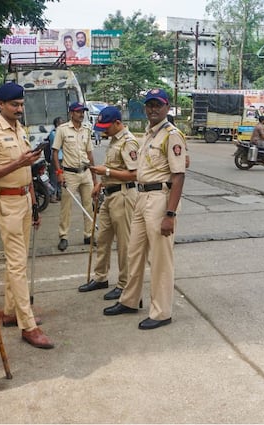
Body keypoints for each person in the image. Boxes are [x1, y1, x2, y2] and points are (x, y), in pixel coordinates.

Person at [0, 82, 54, 349]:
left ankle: (11, 312)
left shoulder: (21, 129)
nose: (20, 109)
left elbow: (27, 171)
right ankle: (27, 325)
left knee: (16, 262)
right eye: (14, 105)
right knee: (18, 264)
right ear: (0, 104)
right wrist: (18, 163)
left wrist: (33, 202)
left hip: (23, 199)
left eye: (21, 105)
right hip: (5, 202)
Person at [103, 88, 187, 330]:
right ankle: (130, 300)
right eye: (149, 105)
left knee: (160, 258)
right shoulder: (149, 134)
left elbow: (179, 175)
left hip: (160, 198)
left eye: (157, 105)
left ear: (167, 107)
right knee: (134, 251)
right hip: (141, 197)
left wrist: (170, 214)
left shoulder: (172, 135)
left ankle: (161, 312)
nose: (152, 109)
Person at [80, 106, 139, 300]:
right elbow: (113, 167)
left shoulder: (129, 143)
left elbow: (134, 174)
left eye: (107, 126)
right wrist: (101, 184)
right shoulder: (114, 140)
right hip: (109, 194)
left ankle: (124, 284)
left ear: (118, 123)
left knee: (124, 243)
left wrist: (105, 173)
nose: (104, 131)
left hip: (123, 196)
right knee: (103, 239)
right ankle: (100, 277)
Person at [52, 102, 96, 251]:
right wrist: (59, 174)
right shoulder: (62, 129)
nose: (81, 114)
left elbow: (89, 153)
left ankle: (88, 235)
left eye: (83, 112)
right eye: (78, 112)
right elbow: (55, 152)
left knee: (89, 205)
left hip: (85, 172)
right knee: (66, 207)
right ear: (71, 113)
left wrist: (94, 176)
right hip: (69, 174)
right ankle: (63, 236)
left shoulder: (87, 130)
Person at [45, 117, 64, 203]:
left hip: (62, 158)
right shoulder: (53, 134)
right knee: (54, 178)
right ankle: (52, 195)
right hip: (55, 159)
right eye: (61, 123)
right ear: (57, 124)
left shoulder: (59, 133)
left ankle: (59, 194)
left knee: (61, 177)